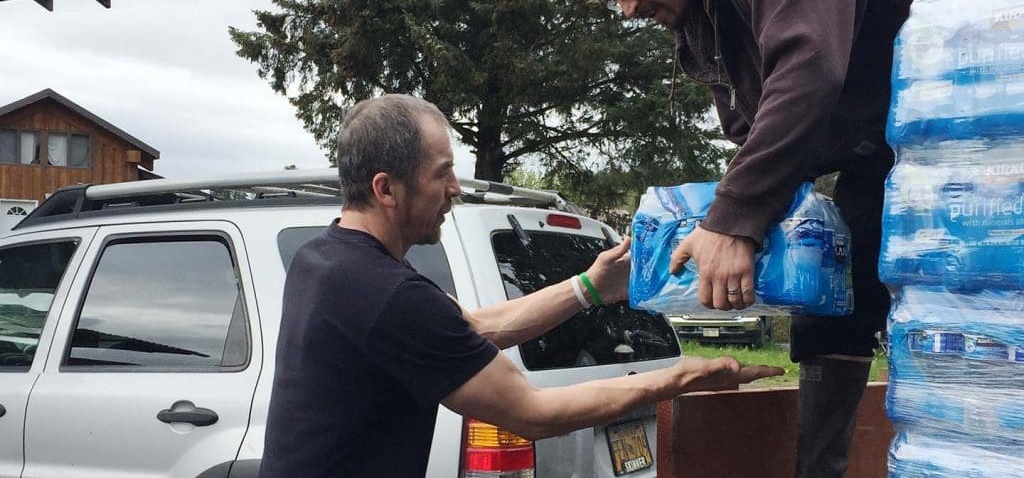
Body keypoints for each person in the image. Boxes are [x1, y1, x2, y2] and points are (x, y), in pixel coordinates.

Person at [572, 0, 989, 477]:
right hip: (895, 143)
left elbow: (807, 73)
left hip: (990, 105)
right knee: (831, 303)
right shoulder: (705, 22)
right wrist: (711, 227)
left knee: (971, 299)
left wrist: (734, 222)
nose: (627, 9)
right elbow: (753, 134)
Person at [259, 93, 781, 478]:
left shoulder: (325, 260)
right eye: (442, 174)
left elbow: (473, 328)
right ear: (386, 188)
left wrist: (591, 287)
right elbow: (534, 413)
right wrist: (675, 380)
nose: (455, 189)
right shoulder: (385, 293)